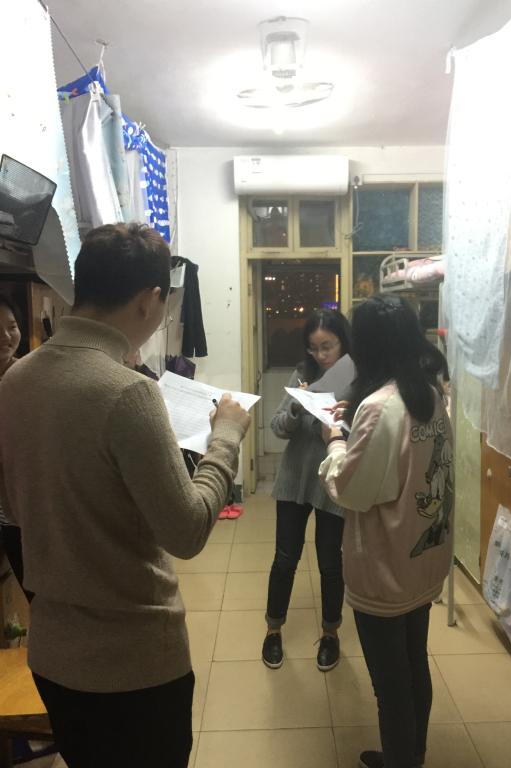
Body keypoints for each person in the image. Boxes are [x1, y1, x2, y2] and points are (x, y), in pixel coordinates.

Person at [0, 223, 250, 768]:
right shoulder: (128, 393)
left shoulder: (14, 381)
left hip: (55, 656)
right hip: (132, 665)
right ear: (149, 299)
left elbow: (14, 509)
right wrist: (226, 437)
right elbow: (186, 532)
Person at [319, 295, 453, 768]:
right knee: (414, 663)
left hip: (385, 566)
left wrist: (336, 439)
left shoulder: (379, 409)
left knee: (390, 684)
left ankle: (401, 760)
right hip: (422, 556)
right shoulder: (429, 395)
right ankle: (412, 755)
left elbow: (351, 490)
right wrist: (355, 417)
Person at [262, 308, 352, 672]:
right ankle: (273, 630)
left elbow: (366, 434)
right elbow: (277, 427)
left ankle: (330, 634)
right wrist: (297, 408)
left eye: (327, 346)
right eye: (314, 348)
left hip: (333, 483)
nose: (321, 355)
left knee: (330, 563)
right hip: (294, 480)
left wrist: (344, 420)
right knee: (285, 559)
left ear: (343, 342)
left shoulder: (358, 379)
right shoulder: (303, 374)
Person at [0, 295, 34, 602]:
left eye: (11, 326)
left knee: (38, 595)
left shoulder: (30, 378)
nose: (5, 337)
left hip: (20, 515)